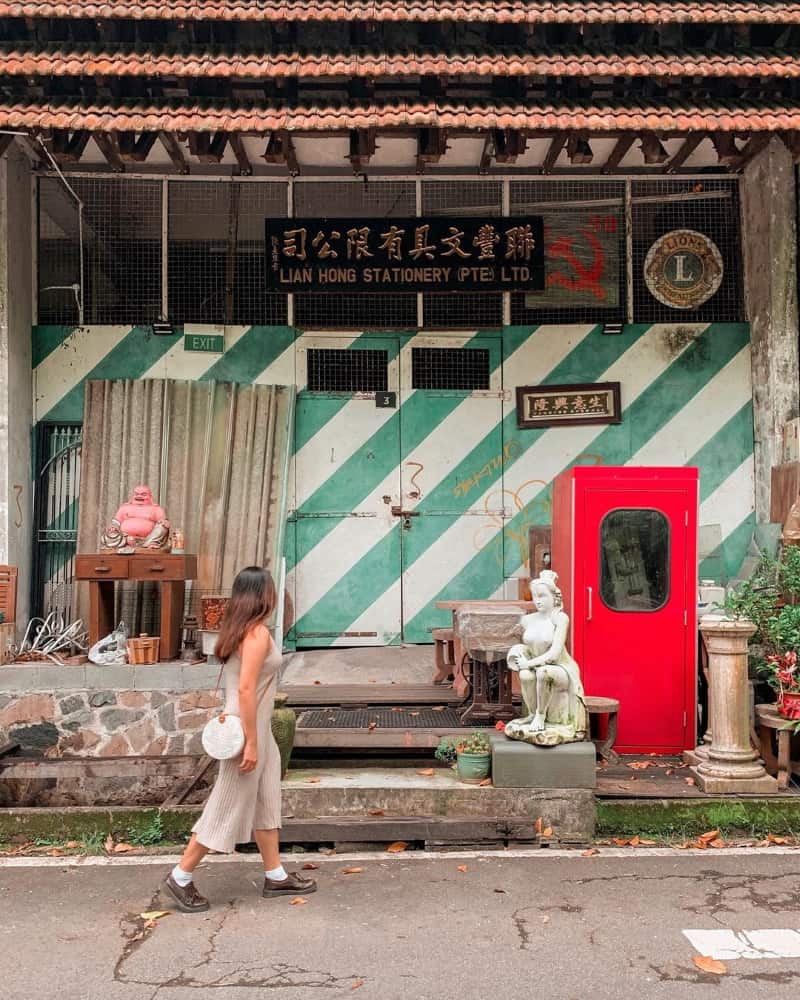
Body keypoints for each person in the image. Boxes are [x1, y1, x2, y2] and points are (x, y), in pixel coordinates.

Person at [162, 566, 316, 912]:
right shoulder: (256, 634)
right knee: (227, 803)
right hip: (247, 729)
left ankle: (275, 875)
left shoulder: (239, 630)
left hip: (254, 727)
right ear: (265, 595)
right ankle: (180, 876)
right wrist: (252, 742)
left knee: (265, 800)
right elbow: (246, 690)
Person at [504, 569, 587, 746]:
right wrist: (517, 653)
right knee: (526, 675)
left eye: (542, 596)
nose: (538, 600)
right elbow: (526, 645)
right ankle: (532, 714)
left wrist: (528, 663)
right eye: (535, 596)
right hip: (534, 665)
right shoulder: (528, 620)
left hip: (560, 669)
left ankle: (541, 716)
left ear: (554, 597)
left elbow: (554, 653)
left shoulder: (560, 618)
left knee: (544, 672)